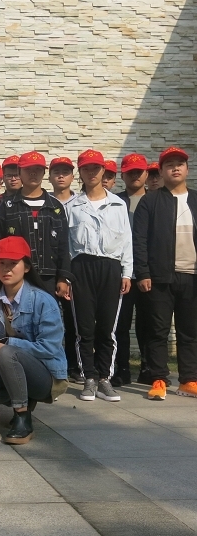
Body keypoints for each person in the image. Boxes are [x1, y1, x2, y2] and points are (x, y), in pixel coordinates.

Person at [0, 236, 69, 445]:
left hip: (46, 376)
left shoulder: (44, 301)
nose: (6, 269)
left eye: (13, 263)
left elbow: (50, 348)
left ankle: (23, 418)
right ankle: (23, 400)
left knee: (8, 351)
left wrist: (6, 345)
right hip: (11, 369)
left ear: (26, 267)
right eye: (1, 263)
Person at [67, 150, 132, 403]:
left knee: (107, 328)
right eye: (86, 168)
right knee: (84, 328)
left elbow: (126, 240)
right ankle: (89, 378)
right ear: (80, 172)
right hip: (81, 269)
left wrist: (127, 272)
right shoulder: (72, 206)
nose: (91, 172)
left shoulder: (118, 204)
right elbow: (67, 246)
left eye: (96, 168)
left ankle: (105, 378)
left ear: (104, 171)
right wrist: (67, 276)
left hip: (111, 268)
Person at [133, 146, 197, 401]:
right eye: (169, 164)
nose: (175, 168)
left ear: (187, 169)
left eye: (179, 163)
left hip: (192, 276)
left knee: (189, 331)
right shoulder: (150, 201)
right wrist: (143, 272)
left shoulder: (195, 199)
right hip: (159, 277)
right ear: (160, 171)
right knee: (157, 331)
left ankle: (189, 379)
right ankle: (158, 378)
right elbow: (139, 239)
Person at [0, 151, 72, 298]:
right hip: (18, 274)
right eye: (28, 169)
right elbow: (1, 242)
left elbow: (63, 244)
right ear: (19, 172)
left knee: (48, 311)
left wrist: (63, 277)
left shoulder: (55, 207)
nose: (33, 173)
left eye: (37, 169)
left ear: (44, 173)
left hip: (49, 276)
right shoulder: (8, 206)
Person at [114, 153, 150, 386]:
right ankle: (122, 368)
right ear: (123, 175)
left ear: (146, 173)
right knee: (121, 325)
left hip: (148, 274)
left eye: (139, 171)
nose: (135, 175)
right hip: (122, 274)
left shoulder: (156, 200)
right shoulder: (115, 201)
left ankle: (148, 368)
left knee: (148, 325)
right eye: (130, 172)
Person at [47, 156, 79, 380]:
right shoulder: (45, 203)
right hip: (53, 269)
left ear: (72, 176)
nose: (61, 176)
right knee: (51, 321)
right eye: (56, 172)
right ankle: (53, 365)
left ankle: (74, 365)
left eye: (65, 172)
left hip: (78, 269)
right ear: (49, 177)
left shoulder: (82, 203)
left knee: (74, 321)